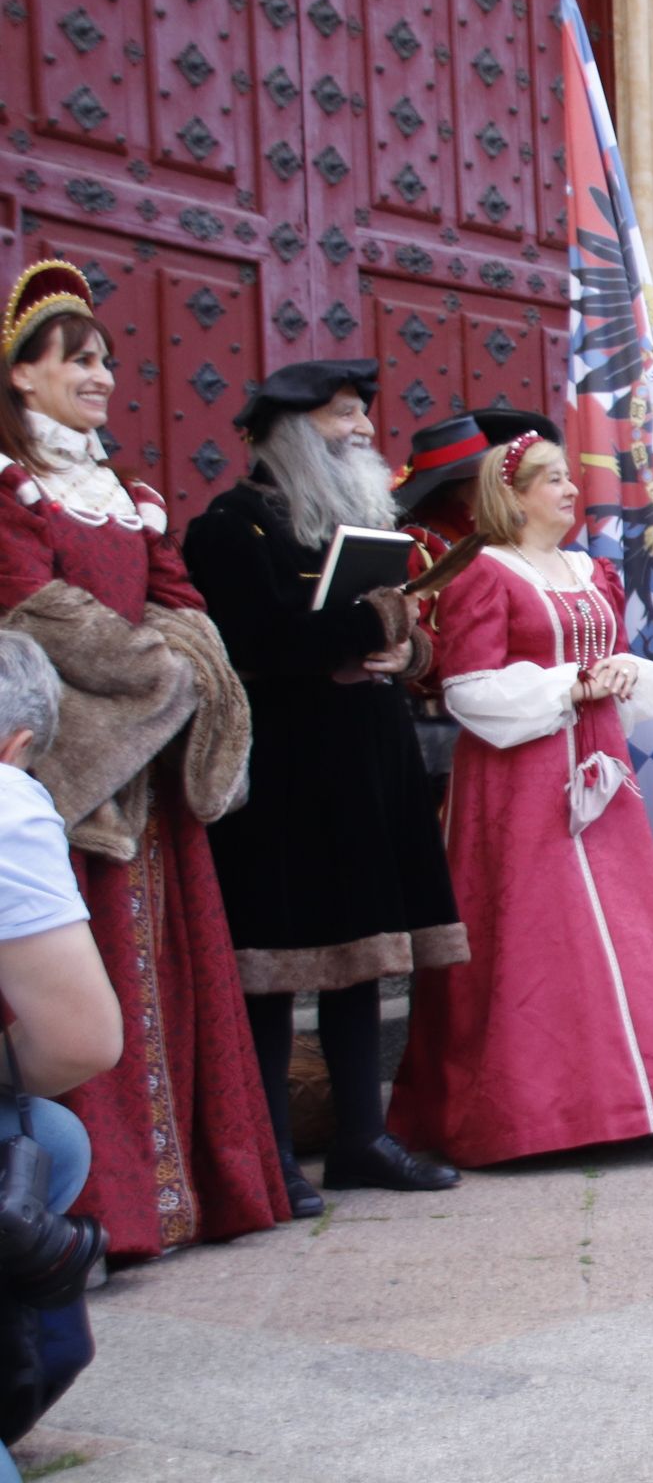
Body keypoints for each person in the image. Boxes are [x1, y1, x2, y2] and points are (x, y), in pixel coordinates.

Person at [0, 257, 284, 1260]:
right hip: (79, 772)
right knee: (90, 974)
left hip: (153, 771)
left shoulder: (128, 490)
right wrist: (153, 674)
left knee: (167, 964)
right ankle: (93, 1214)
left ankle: (190, 1192)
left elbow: (180, 596)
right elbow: (33, 606)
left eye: (107, 361)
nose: (100, 375)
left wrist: (181, 659)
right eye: (75, 359)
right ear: (20, 375)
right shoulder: (14, 488)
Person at [387, 435, 653, 1164]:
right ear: (509, 497)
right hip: (523, 785)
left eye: (570, 477)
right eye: (552, 480)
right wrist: (570, 688)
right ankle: (537, 1113)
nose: (572, 489)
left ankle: (645, 1098)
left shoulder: (589, 572)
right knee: (539, 938)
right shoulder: (483, 573)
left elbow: (620, 658)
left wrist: (620, 675)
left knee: (627, 929)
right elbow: (468, 689)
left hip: (601, 772)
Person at [181, 359, 466, 1216]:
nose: (362, 432)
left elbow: (407, 632)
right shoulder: (230, 527)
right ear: (290, 431)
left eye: (362, 417)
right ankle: (274, 1153)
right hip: (285, 777)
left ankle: (361, 1140)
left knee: (361, 963)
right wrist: (365, 626)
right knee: (274, 972)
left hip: (368, 767)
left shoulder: (363, 526)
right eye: (343, 416)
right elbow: (253, 642)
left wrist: (400, 651)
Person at [0, 633, 122, 1478]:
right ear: (16, 746)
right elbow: (83, 1040)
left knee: (51, 1139)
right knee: (38, 1141)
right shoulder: (5, 797)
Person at [393, 406, 562, 797]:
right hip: (460, 734)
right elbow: (424, 654)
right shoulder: (422, 547)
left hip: (541, 725)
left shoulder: (524, 549)